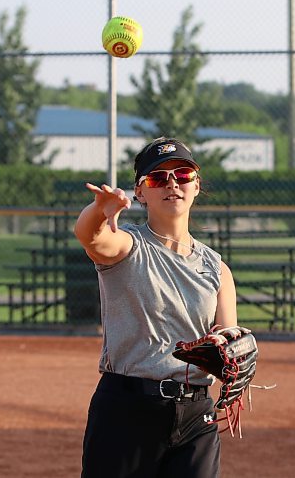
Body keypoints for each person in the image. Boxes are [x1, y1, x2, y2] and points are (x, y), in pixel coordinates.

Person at [74, 136, 240, 478]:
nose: (171, 184)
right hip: (127, 411)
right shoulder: (128, 246)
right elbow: (91, 237)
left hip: (196, 415)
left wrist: (229, 346)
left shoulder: (216, 269)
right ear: (140, 192)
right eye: (157, 178)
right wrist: (100, 211)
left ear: (196, 186)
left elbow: (228, 333)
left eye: (182, 175)